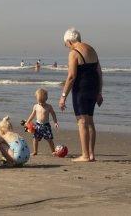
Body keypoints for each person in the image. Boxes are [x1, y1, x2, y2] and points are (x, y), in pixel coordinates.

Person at [59, 28, 103, 162]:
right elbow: (99, 72)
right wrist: (99, 92)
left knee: (82, 122)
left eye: (65, 44)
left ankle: (85, 155)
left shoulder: (74, 53)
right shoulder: (91, 49)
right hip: (93, 89)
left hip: (81, 90)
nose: (66, 46)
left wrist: (63, 95)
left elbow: (71, 76)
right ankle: (91, 154)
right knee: (90, 121)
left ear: (69, 41)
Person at [25, 88, 59, 155]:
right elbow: (32, 115)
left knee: (49, 139)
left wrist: (55, 122)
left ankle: (53, 151)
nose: (41, 103)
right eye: (39, 101)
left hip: (46, 125)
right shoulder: (36, 106)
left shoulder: (49, 106)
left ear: (46, 99)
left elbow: (53, 114)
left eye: (42, 102)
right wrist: (27, 122)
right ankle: (35, 151)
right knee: (35, 138)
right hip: (38, 125)